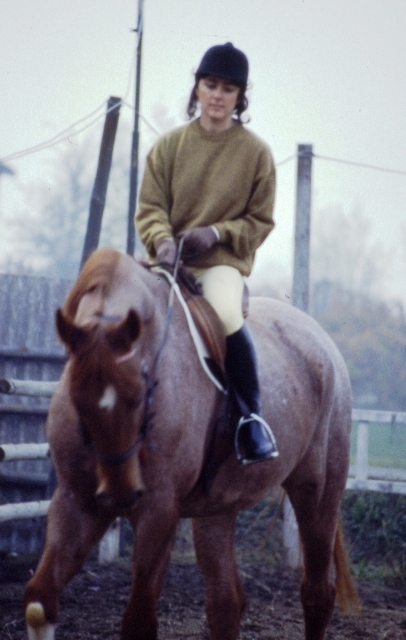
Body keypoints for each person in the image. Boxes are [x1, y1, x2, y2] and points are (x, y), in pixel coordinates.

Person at [136, 42, 279, 464]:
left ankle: (251, 418)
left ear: (240, 97)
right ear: (197, 88)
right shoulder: (168, 147)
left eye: (228, 89)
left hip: (220, 263)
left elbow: (259, 222)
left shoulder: (256, 154)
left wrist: (216, 233)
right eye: (210, 85)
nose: (217, 95)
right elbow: (150, 208)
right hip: (167, 260)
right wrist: (162, 239)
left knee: (225, 312)